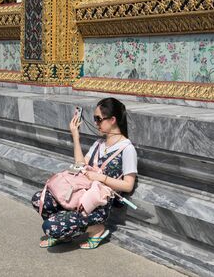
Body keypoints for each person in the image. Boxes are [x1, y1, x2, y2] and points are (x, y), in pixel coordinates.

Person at [31, 97, 138, 249]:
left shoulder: (127, 149)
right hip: (81, 195)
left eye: (98, 119)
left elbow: (128, 185)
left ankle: (96, 229)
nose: (95, 123)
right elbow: (80, 165)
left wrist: (100, 177)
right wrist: (75, 136)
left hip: (98, 205)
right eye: (94, 119)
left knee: (50, 227)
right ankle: (64, 234)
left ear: (112, 120)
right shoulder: (99, 144)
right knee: (39, 199)